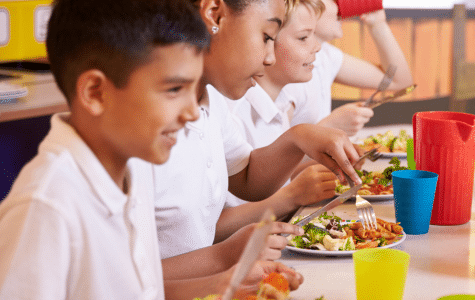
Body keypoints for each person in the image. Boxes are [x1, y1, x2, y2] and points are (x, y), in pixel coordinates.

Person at [0, 0, 292, 298]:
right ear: (95, 93)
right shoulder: (47, 206)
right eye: (174, 90)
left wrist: (224, 286)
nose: (192, 113)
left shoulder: (129, 173)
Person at [155, 0, 362, 296]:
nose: (269, 58)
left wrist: (298, 137)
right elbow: (121, 280)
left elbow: (247, 177)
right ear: (215, 14)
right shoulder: (144, 130)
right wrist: (224, 257)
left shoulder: (211, 101)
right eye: (267, 37)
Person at [224, 0, 337, 214]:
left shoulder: (283, 101)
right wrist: (293, 195)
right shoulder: (234, 112)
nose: (317, 46)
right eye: (303, 37)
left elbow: (271, 183)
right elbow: (217, 222)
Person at [285, 0, 413, 136]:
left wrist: (378, 25)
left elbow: (398, 81)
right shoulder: (284, 74)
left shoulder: (325, 55)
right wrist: (330, 126)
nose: (341, 8)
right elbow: (272, 155)